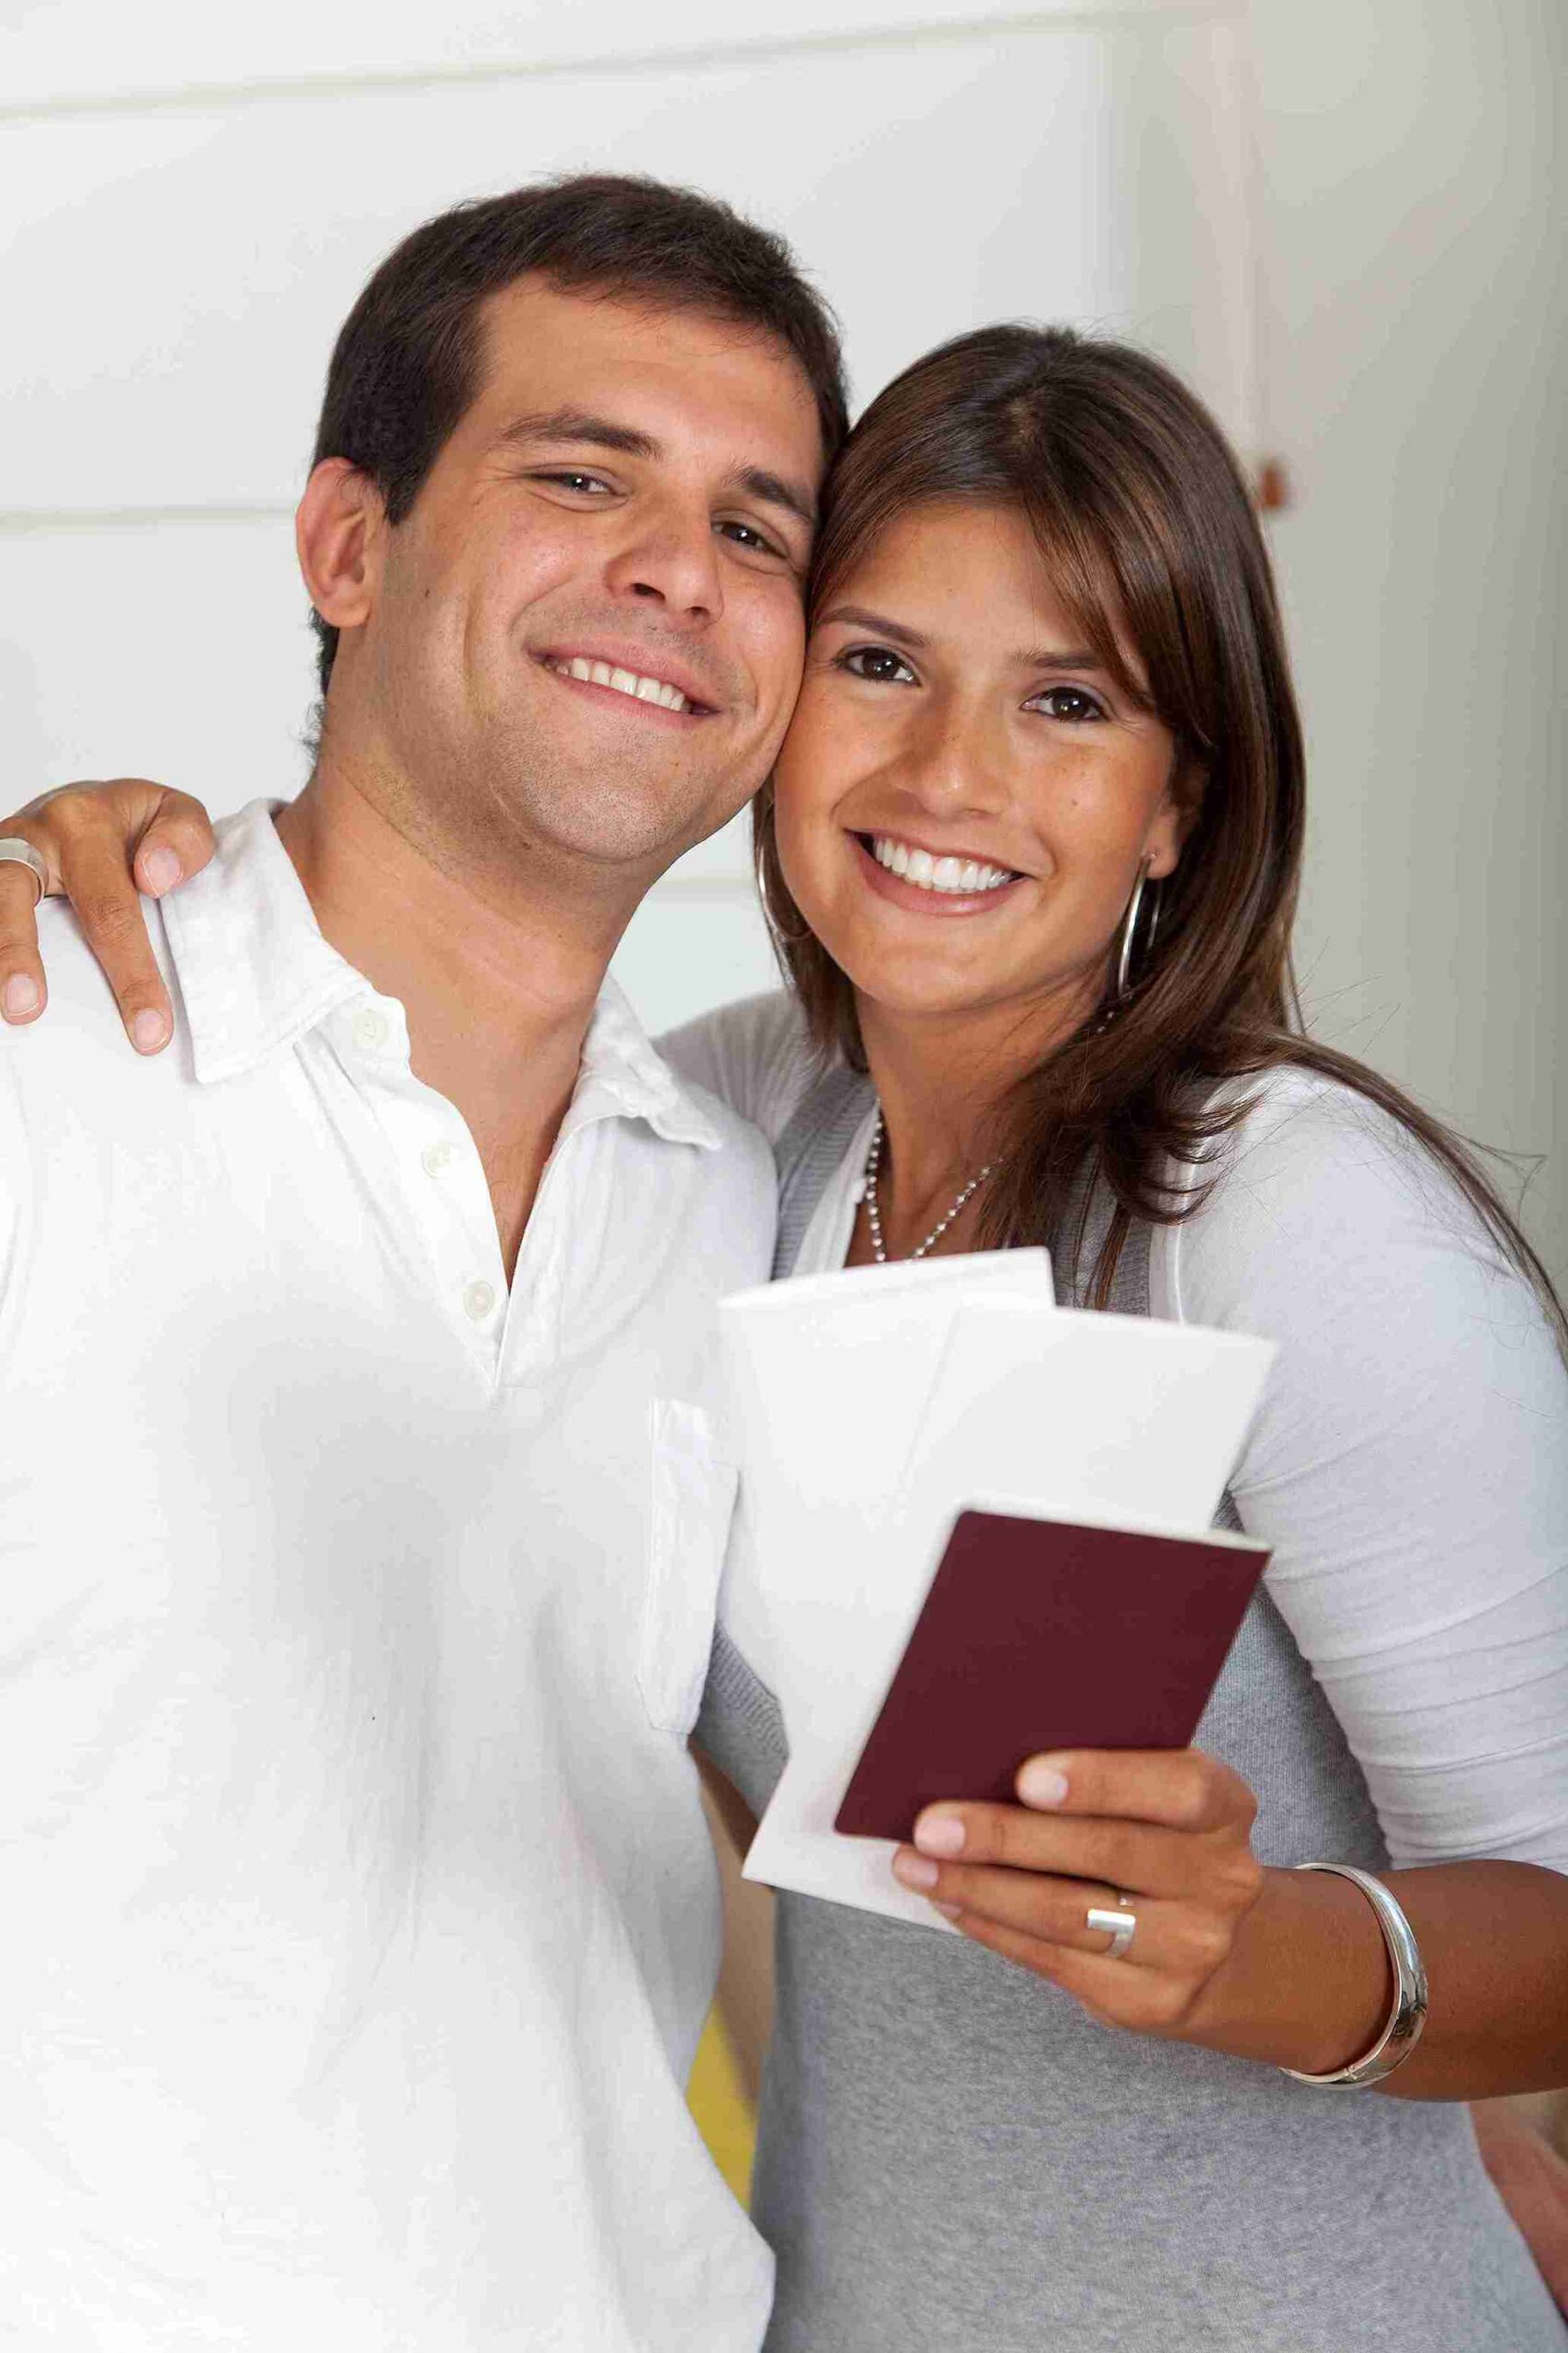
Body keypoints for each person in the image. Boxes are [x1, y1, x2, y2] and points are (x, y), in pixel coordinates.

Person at [6, 328, 1568, 2347]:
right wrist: (120, 860)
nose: (948, 776)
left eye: (1068, 701)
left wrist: (1267, 1953)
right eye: (881, 662)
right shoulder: (722, 1140)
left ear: (1178, 804)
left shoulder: (1282, 1209)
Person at [0, 172, 846, 2347]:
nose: (678, 569)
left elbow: (695, 1829)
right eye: (585, 475)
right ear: (345, 548)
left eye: (756, 528)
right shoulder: (34, 1049)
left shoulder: (736, 1195)